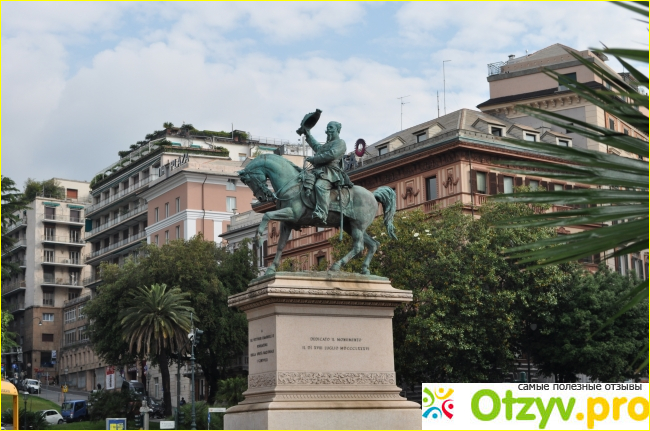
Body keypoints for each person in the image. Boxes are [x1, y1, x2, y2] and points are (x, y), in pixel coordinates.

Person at [304, 121, 353, 224]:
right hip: (319, 171)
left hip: (331, 171)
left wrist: (314, 159)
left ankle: (322, 213)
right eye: (327, 128)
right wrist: (308, 135)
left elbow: (331, 155)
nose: (328, 130)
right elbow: (317, 147)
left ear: (337, 130)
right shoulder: (327, 144)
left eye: (331, 127)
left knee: (320, 186)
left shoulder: (340, 143)